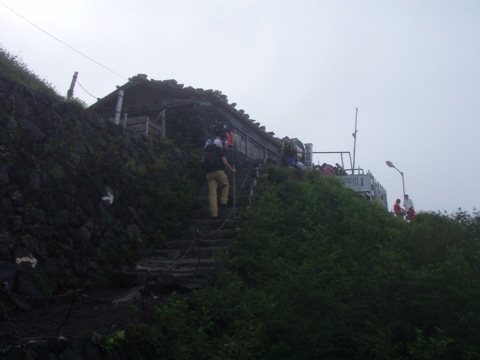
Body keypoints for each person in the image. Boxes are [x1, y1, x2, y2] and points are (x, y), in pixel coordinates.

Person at [204, 141, 236, 220]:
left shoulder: (206, 152)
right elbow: (225, 162)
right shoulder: (219, 150)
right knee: (225, 185)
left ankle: (214, 215)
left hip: (209, 174)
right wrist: (232, 169)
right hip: (219, 172)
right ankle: (223, 202)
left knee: (212, 195)